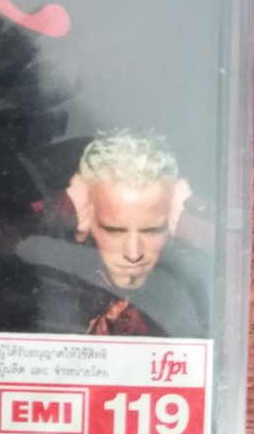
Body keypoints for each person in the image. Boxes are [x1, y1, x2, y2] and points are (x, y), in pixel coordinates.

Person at [16, 131, 209, 337]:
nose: (133, 253)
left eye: (151, 230)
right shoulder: (46, 274)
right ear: (86, 216)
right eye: (114, 230)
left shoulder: (186, 294)